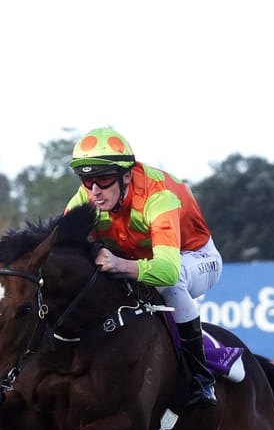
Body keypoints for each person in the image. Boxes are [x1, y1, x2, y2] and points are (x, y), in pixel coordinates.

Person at [64, 127, 222, 407]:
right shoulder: (86, 197)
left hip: (194, 257)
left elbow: (167, 270)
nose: (95, 191)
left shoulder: (158, 197)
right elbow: (62, 249)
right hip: (139, 258)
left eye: (103, 180)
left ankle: (200, 377)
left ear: (126, 176)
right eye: (87, 180)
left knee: (169, 285)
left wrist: (120, 263)